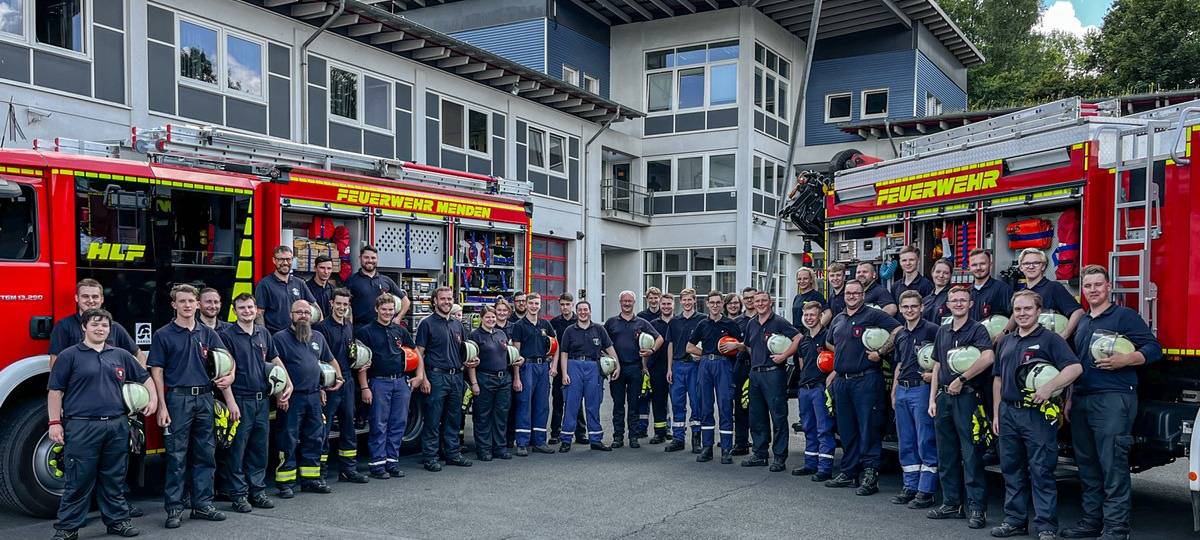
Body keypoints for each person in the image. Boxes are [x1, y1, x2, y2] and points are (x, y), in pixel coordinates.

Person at [1061, 265, 1161, 540]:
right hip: (1081, 399)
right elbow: (1076, 364)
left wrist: (1126, 359)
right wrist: (1070, 397)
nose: (1093, 290)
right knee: (1087, 464)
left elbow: (1154, 348)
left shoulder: (1124, 316)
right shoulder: (1082, 323)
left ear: (1108, 287)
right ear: (1083, 290)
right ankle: (1091, 522)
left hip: (1113, 399)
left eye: (1097, 285)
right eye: (1088, 286)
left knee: (1112, 464)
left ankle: (1116, 528)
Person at [49, 308, 156, 540]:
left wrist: (153, 399)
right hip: (81, 426)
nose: (100, 329)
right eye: (95, 325)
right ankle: (68, 528)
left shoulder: (120, 355)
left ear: (110, 329)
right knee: (78, 479)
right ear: (84, 328)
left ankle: (117, 522)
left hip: (117, 425)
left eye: (105, 326)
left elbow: (145, 377)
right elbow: (55, 391)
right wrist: (54, 422)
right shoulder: (69, 355)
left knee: (114, 477)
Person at [991, 290, 1082, 540]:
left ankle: (1046, 526)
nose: (1022, 314)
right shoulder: (1007, 341)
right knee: (1011, 470)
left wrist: (1049, 387)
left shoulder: (1051, 340)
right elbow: (998, 379)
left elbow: (1075, 368)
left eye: (1027, 309)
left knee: (1041, 471)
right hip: (1009, 413)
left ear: (1038, 311)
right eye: (1018, 309)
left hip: (1037, 416)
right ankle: (1015, 521)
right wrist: (997, 412)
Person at [148, 284, 231, 528]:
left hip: (205, 397)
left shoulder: (208, 333)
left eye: (191, 301)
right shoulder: (163, 334)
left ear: (197, 304)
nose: (187, 305)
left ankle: (202, 505)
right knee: (176, 455)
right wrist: (162, 405)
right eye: (182, 301)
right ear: (174, 305)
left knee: (206, 454)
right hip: (177, 399)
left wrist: (231, 375)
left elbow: (227, 360)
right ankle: (174, 508)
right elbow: (157, 371)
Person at [927, 285, 995, 530]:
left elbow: (988, 358)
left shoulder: (977, 330)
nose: (958, 304)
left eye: (962, 300)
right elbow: (936, 365)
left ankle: (977, 508)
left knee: (971, 454)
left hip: (967, 398)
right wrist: (932, 398)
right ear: (947, 304)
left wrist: (962, 379)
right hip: (944, 399)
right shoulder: (943, 331)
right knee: (946, 454)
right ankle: (951, 503)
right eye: (954, 300)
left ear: (970, 304)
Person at [217, 294, 292, 513]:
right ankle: (239, 496)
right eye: (242, 308)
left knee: (259, 449)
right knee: (237, 451)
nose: (247, 311)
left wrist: (289, 384)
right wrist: (230, 403)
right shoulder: (226, 335)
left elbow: (276, 361)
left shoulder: (264, 333)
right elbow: (224, 371)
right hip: (240, 400)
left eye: (250, 307)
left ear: (255, 309)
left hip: (262, 400)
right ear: (235, 310)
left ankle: (257, 491)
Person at [824, 279, 900, 495]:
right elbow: (830, 342)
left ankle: (870, 474)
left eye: (856, 293)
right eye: (848, 293)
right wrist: (842, 355)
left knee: (868, 428)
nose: (851, 296)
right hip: (842, 381)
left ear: (863, 295)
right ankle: (848, 472)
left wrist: (881, 351)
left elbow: (898, 330)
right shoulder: (838, 318)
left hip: (866, 380)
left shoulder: (873, 315)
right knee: (847, 429)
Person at [273, 300, 340, 497]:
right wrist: (280, 394)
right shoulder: (280, 338)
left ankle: (311, 480)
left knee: (314, 439)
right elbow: (275, 369)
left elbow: (326, 360)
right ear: (291, 314)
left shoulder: (317, 337)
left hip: (314, 397)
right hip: (291, 398)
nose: (303, 315)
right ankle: (286, 483)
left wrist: (332, 381)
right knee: (288, 439)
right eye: (299, 312)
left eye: (306, 312)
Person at [355, 293, 423, 480]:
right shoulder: (365, 332)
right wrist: (364, 387)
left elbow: (416, 352)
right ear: (376, 309)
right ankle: (377, 465)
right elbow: (361, 362)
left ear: (395, 311)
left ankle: (392, 463)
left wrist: (419, 376)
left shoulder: (399, 331)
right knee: (378, 424)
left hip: (401, 382)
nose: (387, 312)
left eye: (390, 310)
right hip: (378, 382)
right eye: (383, 309)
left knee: (398, 424)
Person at [737, 290, 800, 472]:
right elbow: (748, 346)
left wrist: (784, 356)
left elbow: (798, 337)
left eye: (764, 300)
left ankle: (780, 457)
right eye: (757, 301)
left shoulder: (778, 322)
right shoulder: (751, 323)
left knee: (778, 416)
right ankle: (760, 453)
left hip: (774, 374)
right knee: (756, 416)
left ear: (770, 302)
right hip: (755, 374)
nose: (760, 303)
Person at [889, 290, 940, 508]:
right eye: (906, 307)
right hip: (903, 390)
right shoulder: (900, 334)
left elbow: (941, 361)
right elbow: (899, 365)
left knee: (925, 440)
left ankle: (926, 490)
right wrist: (893, 390)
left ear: (921, 308)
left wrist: (932, 381)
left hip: (922, 390)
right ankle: (910, 485)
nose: (910, 310)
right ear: (900, 309)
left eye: (914, 306)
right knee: (906, 441)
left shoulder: (932, 330)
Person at [314, 288, 370, 484]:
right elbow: (318, 359)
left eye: (345, 305)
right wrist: (320, 387)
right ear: (331, 304)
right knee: (324, 429)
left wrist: (362, 359)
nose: (341, 307)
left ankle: (348, 469)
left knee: (348, 427)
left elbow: (350, 352)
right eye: (338, 304)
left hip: (347, 380)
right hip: (329, 383)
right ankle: (320, 473)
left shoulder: (348, 326)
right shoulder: (321, 328)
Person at [416, 286, 474, 471]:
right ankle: (430, 457)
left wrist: (472, 360)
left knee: (454, 418)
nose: (447, 302)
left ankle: (452, 454)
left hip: (456, 376)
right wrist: (423, 378)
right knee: (433, 418)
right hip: (436, 376)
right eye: (443, 299)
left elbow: (464, 350)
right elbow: (419, 353)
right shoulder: (427, 324)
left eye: (450, 299)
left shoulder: (458, 325)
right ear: (435, 301)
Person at [685, 291, 742, 464]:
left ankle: (726, 449)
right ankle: (707, 447)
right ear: (707, 304)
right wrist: (707, 354)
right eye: (712, 302)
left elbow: (743, 346)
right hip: (705, 366)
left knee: (725, 406)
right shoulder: (702, 324)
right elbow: (689, 347)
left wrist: (736, 345)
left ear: (722, 305)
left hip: (724, 365)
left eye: (718, 302)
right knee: (705, 406)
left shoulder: (731, 324)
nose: (715, 305)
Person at [556, 300, 619, 452]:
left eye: (586, 309)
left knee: (593, 405)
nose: (583, 312)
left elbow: (609, 348)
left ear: (590, 311)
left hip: (593, 367)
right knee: (571, 405)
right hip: (574, 366)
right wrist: (564, 373)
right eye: (580, 310)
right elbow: (563, 353)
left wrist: (617, 365)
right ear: (577, 312)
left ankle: (596, 439)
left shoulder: (598, 329)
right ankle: (565, 440)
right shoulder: (570, 330)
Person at [604, 291, 661, 449]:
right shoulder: (611, 323)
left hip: (636, 368)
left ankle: (634, 437)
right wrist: (607, 363)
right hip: (617, 369)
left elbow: (660, 338)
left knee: (634, 404)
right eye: (624, 301)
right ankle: (618, 437)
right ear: (620, 302)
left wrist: (652, 351)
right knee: (618, 404)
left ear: (634, 302)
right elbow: (603, 343)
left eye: (630, 301)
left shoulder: (641, 323)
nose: (627, 303)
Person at [49, 279, 144, 370]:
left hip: (111, 385)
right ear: (77, 298)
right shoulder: (63, 326)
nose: (90, 301)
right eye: (85, 296)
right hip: (78, 385)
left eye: (95, 297)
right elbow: (55, 362)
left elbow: (139, 355)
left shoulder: (115, 327)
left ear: (102, 299)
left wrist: (138, 380)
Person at [791, 301, 834, 481]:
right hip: (805, 389)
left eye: (812, 315)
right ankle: (810, 464)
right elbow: (802, 365)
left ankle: (825, 468)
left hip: (820, 389)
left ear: (820, 316)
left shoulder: (826, 338)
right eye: (806, 315)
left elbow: (838, 356)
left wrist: (832, 376)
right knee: (809, 427)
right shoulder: (803, 340)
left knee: (824, 428)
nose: (809, 318)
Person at [511, 293, 557, 455]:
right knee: (524, 403)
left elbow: (555, 345)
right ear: (526, 305)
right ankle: (522, 442)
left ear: (540, 305)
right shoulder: (519, 325)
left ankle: (539, 441)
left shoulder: (545, 324)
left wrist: (553, 366)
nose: (534, 306)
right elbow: (516, 354)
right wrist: (516, 377)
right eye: (531, 304)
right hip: (526, 367)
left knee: (542, 404)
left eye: (537, 304)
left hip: (542, 367)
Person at [468, 306, 517, 461]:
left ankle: (499, 448)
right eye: (488, 317)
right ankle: (484, 449)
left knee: (501, 415)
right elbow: (471, 362)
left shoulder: (501, 334)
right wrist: (474, 383)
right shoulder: (475, 336)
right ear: (481, 318)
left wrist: (518, 359)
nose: (491, 320)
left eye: (493, 317)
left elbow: (510, 354)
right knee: (483, 415)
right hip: (484, 378)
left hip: (503, 379)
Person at [664, 288, 704, 453]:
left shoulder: (703, 320)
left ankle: (696, 439)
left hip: (695, 366)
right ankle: (678, 438)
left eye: (690, 300)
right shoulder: (674, 321)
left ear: (695, 300)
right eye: (684, 300)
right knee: (677, 404)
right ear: (680, 302)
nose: (687, 303)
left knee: (697, 403)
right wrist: (669, 368)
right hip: (678, 366)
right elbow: (670, 345)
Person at [1013, 248, 1084, 339]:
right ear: (1021, 267)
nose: (1031, 266)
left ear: (1043, 266)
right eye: (1026, 263)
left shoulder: (1054, 287)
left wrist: (1064, 335)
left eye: (1036, 263)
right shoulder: (1021, 293)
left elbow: (1078, 312)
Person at [549, 293, 585, 445]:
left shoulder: (580, 320)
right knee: (558, 399)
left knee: (576, 400)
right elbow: (551, 344)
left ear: (572, 305)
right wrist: (552, 363)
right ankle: (555, 433)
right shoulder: (554, 323)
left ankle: (581, 433)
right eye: (562, 304)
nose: (565, 307)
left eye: (567, 304)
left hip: (575, 364)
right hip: (558, 365)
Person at [255, 246, 317, 333]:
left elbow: (315, 308)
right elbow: (259, 314)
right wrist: (263, 337)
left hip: (298, 336)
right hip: (275, 337)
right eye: (281, 259)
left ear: (292, 260)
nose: (285, 263)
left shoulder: (300, 283)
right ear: (274, 260)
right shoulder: (265, 284)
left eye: (288, 259)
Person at [344, 246, 410, 327]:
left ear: (377, 259)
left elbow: (406, 301)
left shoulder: (386, 280)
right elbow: (343, 304)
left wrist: (398, 318)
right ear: (360, 258)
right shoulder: (351, 281)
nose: (370, 260)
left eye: (373, 258)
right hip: (360, 329)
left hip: (383, 329)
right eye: (366, 257)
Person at [645, 293, 676, 444]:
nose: (666, 306)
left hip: (676, 366)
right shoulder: (652, 324)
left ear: (673, 305)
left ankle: (676, 432)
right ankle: (660, 432)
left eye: (669, 304)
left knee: (677, 401)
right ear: (660, 305)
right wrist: (644, 366)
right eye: (663, 304)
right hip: (656, 367)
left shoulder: (679, 322)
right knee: (658, 401)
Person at [633, 286, 663, 439]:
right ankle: (642, 428)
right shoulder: (641, 317)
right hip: (644, 362)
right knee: (643, 396)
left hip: (661, 362)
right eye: (650, 298)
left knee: (661, 397)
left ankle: (665, 429)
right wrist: (643, 364)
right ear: (647, 299)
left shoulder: (664, 314)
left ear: (660, 298)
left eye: (656, 297)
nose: (653, 300)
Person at [729, 290, 754, 455]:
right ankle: (741, 443)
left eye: (752, 298)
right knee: (740, 407)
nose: (750, 301)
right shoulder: (736, 321)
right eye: (746, 298)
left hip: (759, 367)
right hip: (740, 366)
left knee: (758, 407)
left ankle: (760, 445)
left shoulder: (764, 320)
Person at [968, 248, 1012, 327]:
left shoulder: (1003, 289)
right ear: (970, 267)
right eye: (974, 265)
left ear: (990, 265)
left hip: (993, 339)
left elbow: (1014, 316)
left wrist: (1004, 333)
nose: (978, 268)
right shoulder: (967, 292)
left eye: (982, 264)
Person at [922, 259, 954, 324]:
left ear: (950, 276)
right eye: (938, 272)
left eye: (946, 273)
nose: (941, 275)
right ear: (932, 273)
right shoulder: (925, 300)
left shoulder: (953, 297)